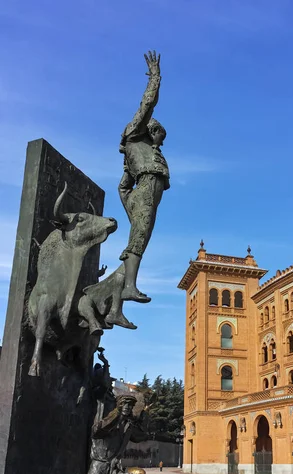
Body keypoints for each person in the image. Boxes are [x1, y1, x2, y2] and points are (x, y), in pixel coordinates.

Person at [118, 51, 170, 304]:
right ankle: (128, 287)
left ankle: (125, 286)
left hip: (148, 194)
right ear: (153, 130)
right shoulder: (137, 135)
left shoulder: (139, 151)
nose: (161, 142)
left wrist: (131, 204)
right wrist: (155, 77)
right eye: (161, 136)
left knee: (141, 237)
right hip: (147, 188)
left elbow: (123, 185)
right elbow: (147, 104)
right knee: (139, 238)